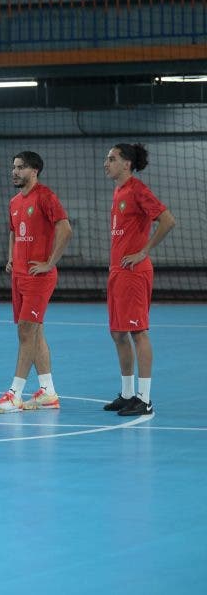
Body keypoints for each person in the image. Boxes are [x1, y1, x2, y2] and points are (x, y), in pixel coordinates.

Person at [0, 151, 72, 414]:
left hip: (38, 276)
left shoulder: (46, 196)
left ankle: (15, 393)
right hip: (20, 275)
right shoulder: (14, 202)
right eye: (13, 167)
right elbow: (14, 231)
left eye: (20, 167)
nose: (14, 172)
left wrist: (50, 262)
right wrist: (12, 257)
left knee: (25, 331)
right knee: (35, 333)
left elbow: (65, 229)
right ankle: (47, 392)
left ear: (34, 170)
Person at [102, 143, 175, 416]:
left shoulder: (138, 190)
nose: (106, 163)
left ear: (127, 164)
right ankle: (128, 393)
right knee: (117, 332)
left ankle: (144, 400)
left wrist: (143, 251)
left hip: (134, 273)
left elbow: (167, 220)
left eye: (112, 159)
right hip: (117, 271)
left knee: (137, 332)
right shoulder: (118, 191)